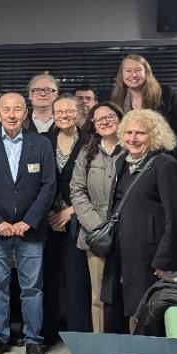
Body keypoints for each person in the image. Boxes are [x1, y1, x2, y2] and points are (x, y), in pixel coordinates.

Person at [0, 92, 56, 354]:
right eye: (6, 110)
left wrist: (27, 221)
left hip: (30, 231)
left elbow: (48, 186)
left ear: (25, 113)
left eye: (17, 109)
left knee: (32, 288)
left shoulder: (40, 144)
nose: (11, 115)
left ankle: (33, 341)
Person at [103, 109, 177, 333]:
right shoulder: (122, 163)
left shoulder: (166, 165)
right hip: (120, 252)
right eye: (128, 132)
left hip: (150, 256)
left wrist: (164, 260)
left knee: (147, 311)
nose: (132, 138)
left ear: (154, 136)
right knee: (116, 306)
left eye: (140, 133)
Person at [70, 102, 124, 332]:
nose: (104, 121)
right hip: (96, 235)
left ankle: (133, 352)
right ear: (93, 125)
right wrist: (97, 227)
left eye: (110, 116)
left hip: (129, 232)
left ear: (120, 119)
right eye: (98, 118)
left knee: (130, 295)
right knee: (98, 296)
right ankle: (102, 348)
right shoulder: (86, 153)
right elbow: (77, 191)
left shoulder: (134, 149)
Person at [111, 54, 177, 175]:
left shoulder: (166, 93)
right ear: (121, 75)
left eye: (138, 70)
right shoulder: (118, 101)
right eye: (128, 71)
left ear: (147, 73)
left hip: (175, 160)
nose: (133, 75)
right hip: (139, 164)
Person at [42, 95, 87, 342]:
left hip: (77, 219)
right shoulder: (43, 141)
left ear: (78, 112)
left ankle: (79, 337)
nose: (64, 115)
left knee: (76, 279)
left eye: (69, 111)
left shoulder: (90, 142)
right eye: (59, 111)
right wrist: (48, 211)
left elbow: (96, 185)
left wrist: (70, 211)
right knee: (48, 279)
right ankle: (47, 334)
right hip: (47, 220)